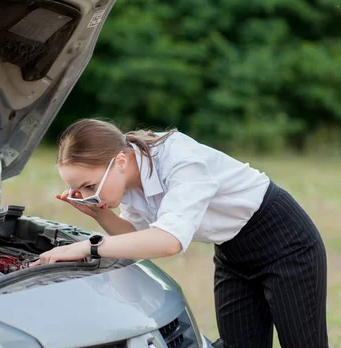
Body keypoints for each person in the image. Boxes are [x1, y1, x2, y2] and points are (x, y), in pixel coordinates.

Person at [31, 118, 328, 348]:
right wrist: (99, 211)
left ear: (119, 161)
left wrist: (88, 247)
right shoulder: (130, 181)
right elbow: (136, 238)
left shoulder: (180, 160)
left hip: (284, 240)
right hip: (233, 251)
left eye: (90, 187)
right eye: (80, 191)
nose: (87, 196)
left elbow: (169, 241)